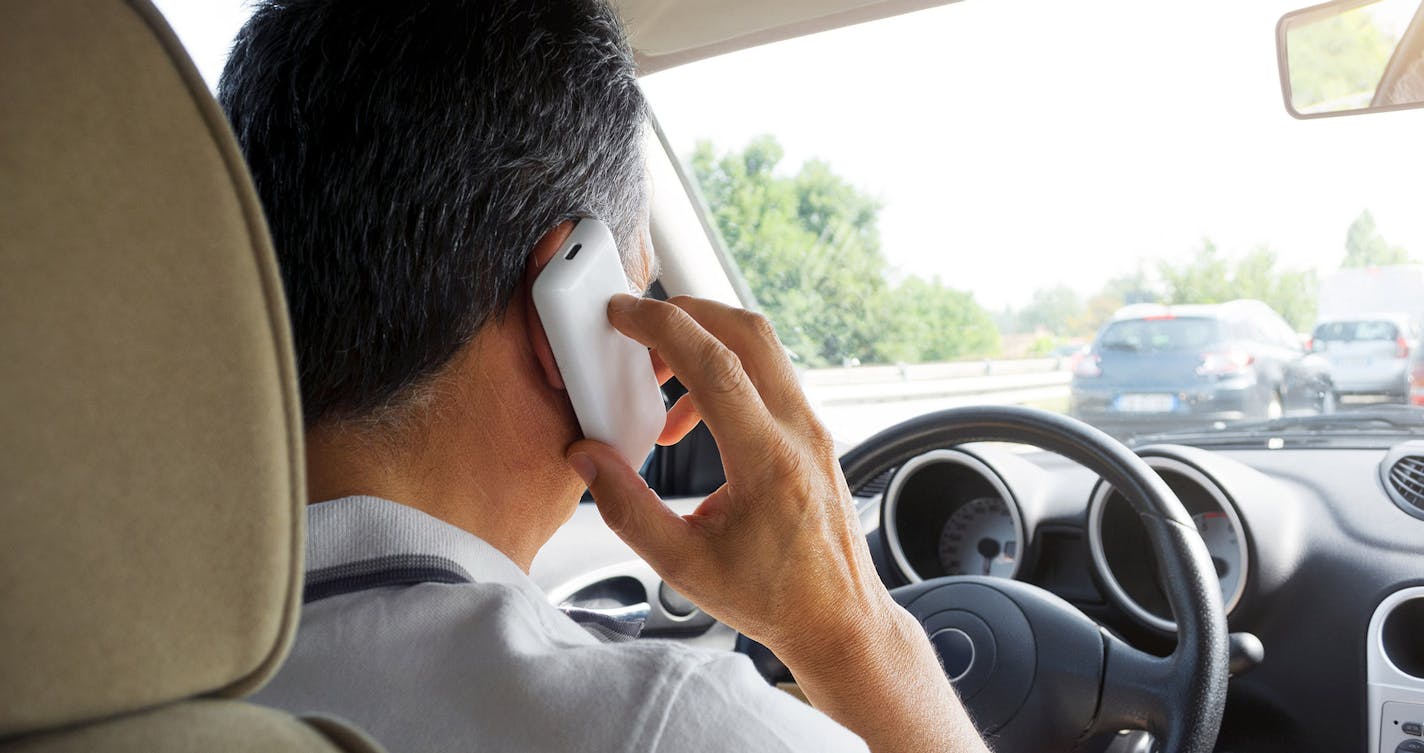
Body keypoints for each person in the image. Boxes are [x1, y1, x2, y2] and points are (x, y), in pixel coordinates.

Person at [220, 2, 988, 752]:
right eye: (639, 286)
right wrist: (853, 633)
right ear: (563, 319)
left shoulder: (128, 656)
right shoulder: (670, 724)